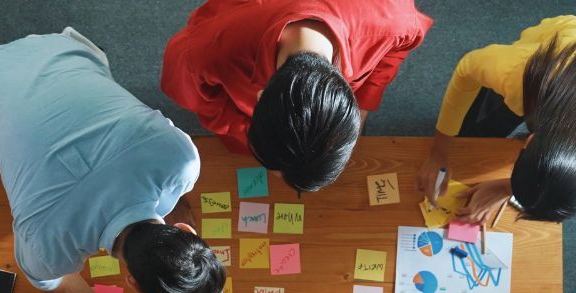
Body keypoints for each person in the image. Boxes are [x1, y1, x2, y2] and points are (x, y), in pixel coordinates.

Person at [0, 29, 226, 293]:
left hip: (62, 52)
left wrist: (177, 254)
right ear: (130, 281)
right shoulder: (45, 247)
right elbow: (49, 282)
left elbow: (176, 198)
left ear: (186, 230)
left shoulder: (181, 159)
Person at [161, 0, 432, 193]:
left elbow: (392, 55)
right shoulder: (211, 50)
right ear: (260, 94)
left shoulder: (395, 23)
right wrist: (239, 130)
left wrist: (363, 108)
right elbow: (194, 97)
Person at [416, 16, 576, 224]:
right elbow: (467, 69)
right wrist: (439, 151)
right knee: (490, 115)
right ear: (529, 140)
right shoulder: (519, 74)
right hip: (564, 44)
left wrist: (506, 187)